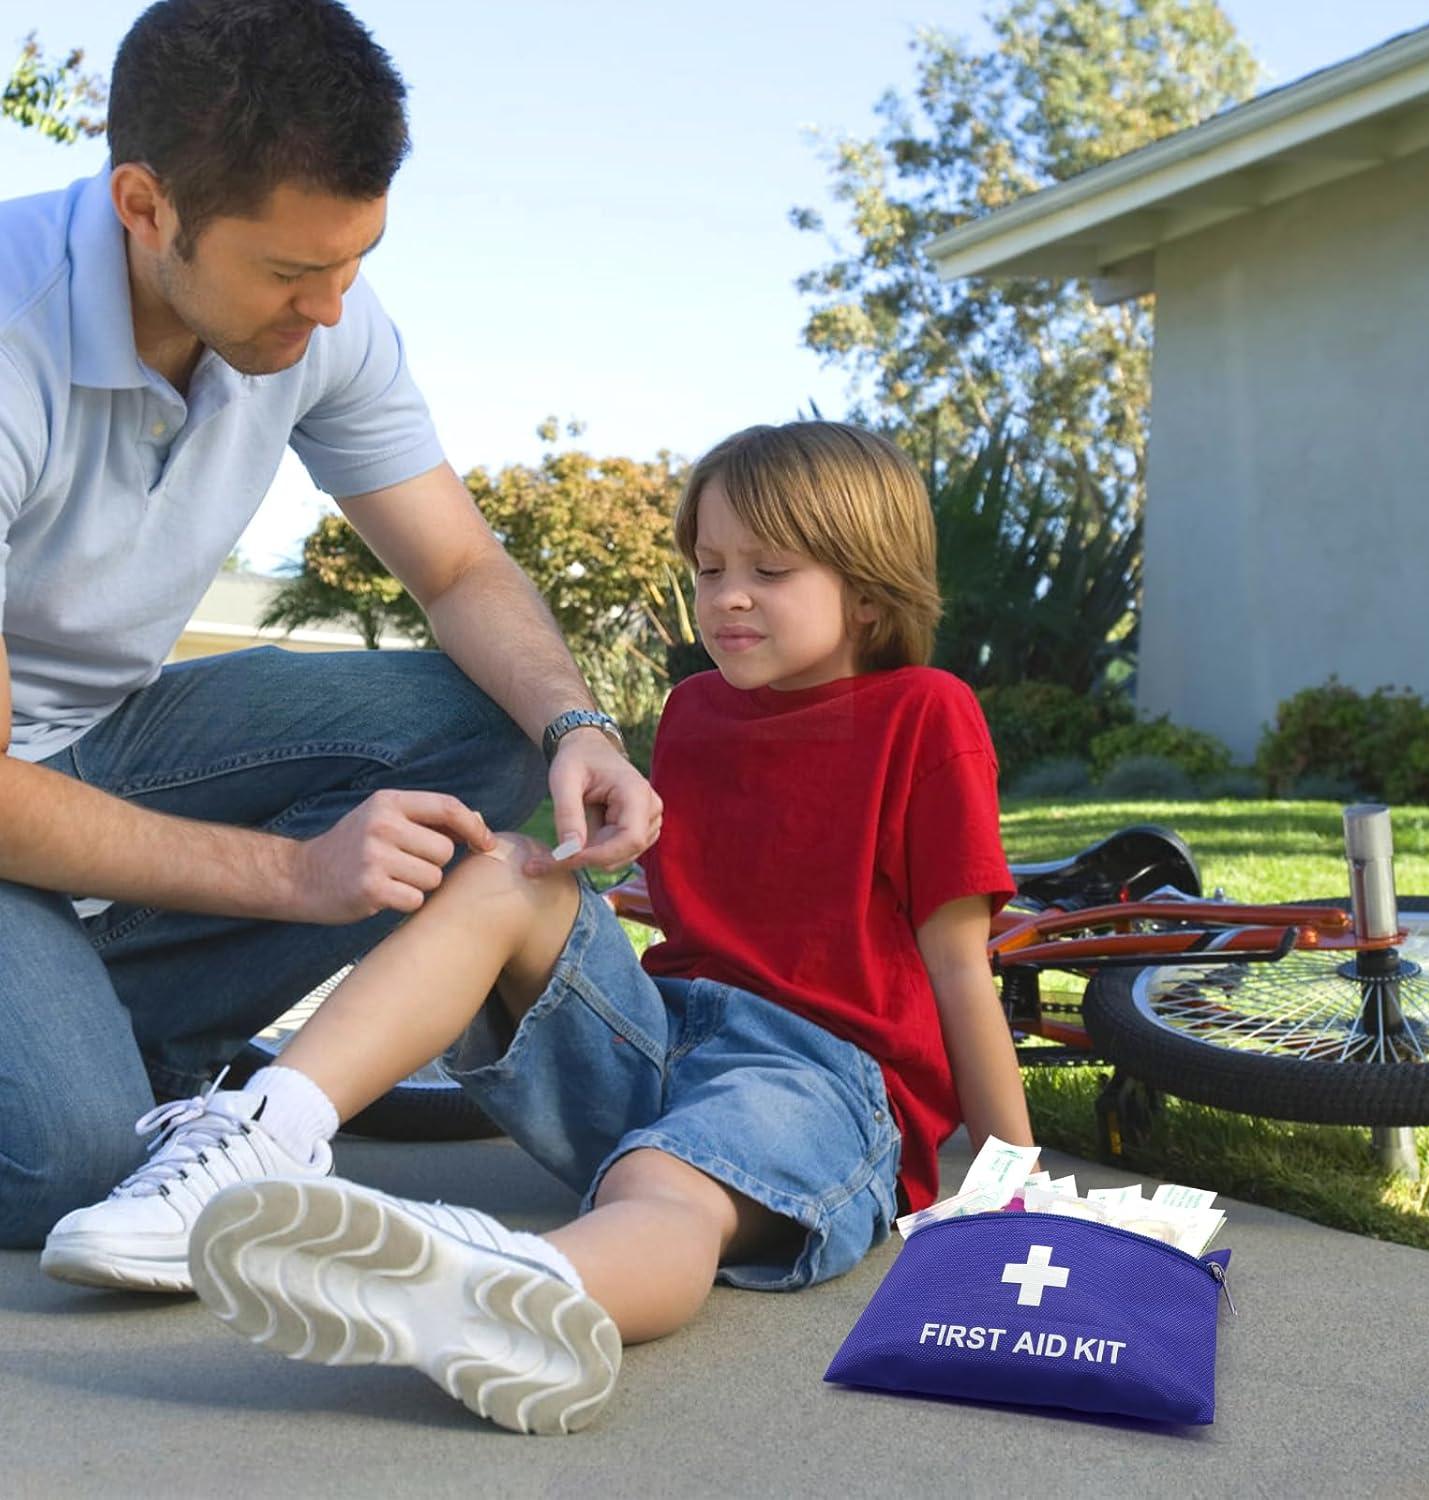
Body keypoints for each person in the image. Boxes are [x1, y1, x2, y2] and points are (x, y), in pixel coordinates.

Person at [44, 420, 1034, 1435]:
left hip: (823, 1082)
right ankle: (268, 1132)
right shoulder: (692, 714)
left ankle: (526, 1290)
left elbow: (959, 970)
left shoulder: (927, 712)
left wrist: (1016, 1186)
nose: (728, 595)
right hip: (664, 1040)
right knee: (502, 868)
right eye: (709, 566)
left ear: (869, 592)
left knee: (666, 1186)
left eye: (770, 570)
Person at [0, 0, 659, 1250]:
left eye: (355, 260)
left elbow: (460, 566)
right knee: (61, 1167)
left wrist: (579, 727)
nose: (332, 310)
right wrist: (299, 878)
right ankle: (77, 1069)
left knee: (491, 727)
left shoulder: (320, 322)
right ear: (144, 207)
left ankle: (103, 1030)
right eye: (294, 273)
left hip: (103, 738)